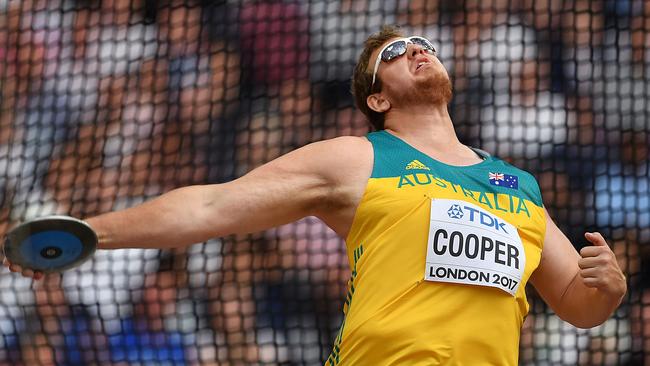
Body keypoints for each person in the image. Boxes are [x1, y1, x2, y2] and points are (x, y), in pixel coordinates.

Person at [3, 25, 627, 365]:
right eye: (395, 50)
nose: (417, 48)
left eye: (424, 45)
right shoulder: (359, 158)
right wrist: (92, 232)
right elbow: (213, 206)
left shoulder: (517, 186)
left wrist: (608, 288)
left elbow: (578, 307)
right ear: (376, 99)